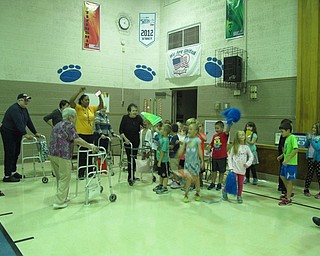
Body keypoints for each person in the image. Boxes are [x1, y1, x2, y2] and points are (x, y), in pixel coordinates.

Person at [49, 107, 98, 209]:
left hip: (52, 154)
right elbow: (77, 140)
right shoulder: (69, 125)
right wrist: (90, 146)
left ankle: (63, 197)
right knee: (65, 178)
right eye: (75, 117)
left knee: (60, 178)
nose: (75, 119)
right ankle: (59, 202)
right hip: (63, 155)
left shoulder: (57, 124)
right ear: (71, 117)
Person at [0, 93, 42, 182]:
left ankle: (13, 171)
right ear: (20, 100)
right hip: (8, 132)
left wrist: (35, 132)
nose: (27, 102)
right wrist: (25, 134)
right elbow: (18, 122)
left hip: (16, 133)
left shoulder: (24, 110)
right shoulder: (14, 109)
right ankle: (7, 176)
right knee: (10, 153)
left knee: (16, 152)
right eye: (26, 100)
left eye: (28, 100)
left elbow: (28, 121)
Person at [69, 87, 103, 179]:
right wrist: (79, 91)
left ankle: (90, 172)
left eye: (88, 100)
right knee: (83, 154)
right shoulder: (78, 108)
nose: (87, 101)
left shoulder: (91, 108)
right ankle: (81, 173)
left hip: (90, 134)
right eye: (86, 100)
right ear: (81, 101)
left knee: (90, 153)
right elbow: (71, 101)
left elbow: (101, 106)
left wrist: (100, 96)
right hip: (81, 134)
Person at [222, 130, 253, 203]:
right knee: (231, 182)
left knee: (240, 184)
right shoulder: (234, 147)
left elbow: (251, 156)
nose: (242, 136)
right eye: (240, 135)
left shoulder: (246, 147)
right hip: (234, 169)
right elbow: (229, 157)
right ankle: (224, 191)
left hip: (242, 170)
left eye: (243, 134)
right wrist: (230, 167)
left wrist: (248, 163)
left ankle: (239, 196)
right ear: (237, 137)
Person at [176, 123, 204, 203]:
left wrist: (202, 161)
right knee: (188, 178)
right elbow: (182, 148)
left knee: (196, 178)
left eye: (191, 129)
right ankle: (186, 194)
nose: (189, 131)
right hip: (187, 163)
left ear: (196, 131)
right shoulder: (186, 139)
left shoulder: (197, 140)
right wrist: (178, 153)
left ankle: (198, 192)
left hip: (195, 163)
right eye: (189, 129)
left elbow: (200, 150)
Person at [119, 103, 144, 186]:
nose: (135, 112)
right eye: (133, 111)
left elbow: (144, 125)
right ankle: (130, 177)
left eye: (136, 111)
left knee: (135, 158)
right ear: (129, 111)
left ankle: (133, 175)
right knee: (130, 159)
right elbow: (121, 131)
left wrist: (146, 124)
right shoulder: (125, 118)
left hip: (136, 140)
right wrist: (125, 139)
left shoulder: (138, 118)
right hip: (127, 141)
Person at [276, 122, 298, 206]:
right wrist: (281, 156)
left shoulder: (292, 137)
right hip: (285, 162)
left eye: (282, 131)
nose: (281, 133)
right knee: (282, 176)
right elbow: (286, 151)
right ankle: (289, 191)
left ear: (288, 130)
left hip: (291, 163)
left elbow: (295, 150)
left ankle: (288, 198)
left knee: (288, 181)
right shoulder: (287, 139)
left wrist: (288, 159)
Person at [208, 121, 230, 191]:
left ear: (222, 128)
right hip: (215, 156)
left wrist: (229, 123)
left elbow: (227, 130)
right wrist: (209, 148)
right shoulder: (214, 136)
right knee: (214, 171)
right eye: (215, 128)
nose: (216, 129)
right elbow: (211, 144)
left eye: (218, 128)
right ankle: (213, 183)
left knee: (221, 171)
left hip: (222, 156)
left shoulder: (224, 135)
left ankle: (219, 183)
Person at [152, 124, 171, 194]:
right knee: (160, 174)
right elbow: (157, 131)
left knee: (165, 175)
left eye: (162, 129)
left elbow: (163, 151)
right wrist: (154, 126)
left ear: (165, 132)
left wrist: (159, 161)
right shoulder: (161, 136)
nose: (160, 131)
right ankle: (160, 184)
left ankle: (165, 187)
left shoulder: (166, 140)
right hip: (159, 159)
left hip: (163, 160)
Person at [303, 122, 320, 198]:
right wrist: (308, 140)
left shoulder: (319, 137)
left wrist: (311, 140)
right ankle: (306, 189)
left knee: (319, 175)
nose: (313, 129)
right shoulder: (310, 136)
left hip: (318, 159)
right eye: (313, 127)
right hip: (310, 158)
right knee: (309, 174)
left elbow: (317, 147)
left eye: (315, 128)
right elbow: (306, 145)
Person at [277, 119, 292, 193]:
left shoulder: (291, 138)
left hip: (286, 157)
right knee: (283, 174)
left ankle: (286, 190)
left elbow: (295, 149)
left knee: (285, 174)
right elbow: (283, 147)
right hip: (285, 157)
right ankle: (283, 188)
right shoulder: (284, 136)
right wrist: (283, 156)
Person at [168, 123, 181, 189]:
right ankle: (174, 180)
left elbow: (172, 146)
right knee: (172, 169)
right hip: (172, 155)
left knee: (174, 169)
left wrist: (165, 145)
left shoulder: (175, 137)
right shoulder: (173, 137)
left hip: (174, 155)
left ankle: (177, 181)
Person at [197, 121, 207, 187]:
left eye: (200, 126)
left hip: (201, 154)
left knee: (201, 168)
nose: (199, 128)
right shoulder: (195, 135)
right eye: (198, 126)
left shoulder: (203, 134)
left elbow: (205, 139)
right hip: (195, 154)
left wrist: (200, 133)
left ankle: (201, 181)